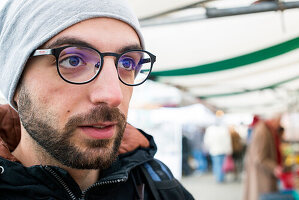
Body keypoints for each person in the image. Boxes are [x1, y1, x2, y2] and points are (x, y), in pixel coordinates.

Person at [0, 1, 194, 199]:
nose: (113, 96)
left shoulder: (159, 185)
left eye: (127, 63)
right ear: (14, 81)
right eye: (73, 60)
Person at [243, 114, 284, 200]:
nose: (280, 123)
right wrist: (275, 168)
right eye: (279, 120)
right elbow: (260, 157)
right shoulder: (263, 130)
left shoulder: (266, 128)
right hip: (262, 175)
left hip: (262, 174)